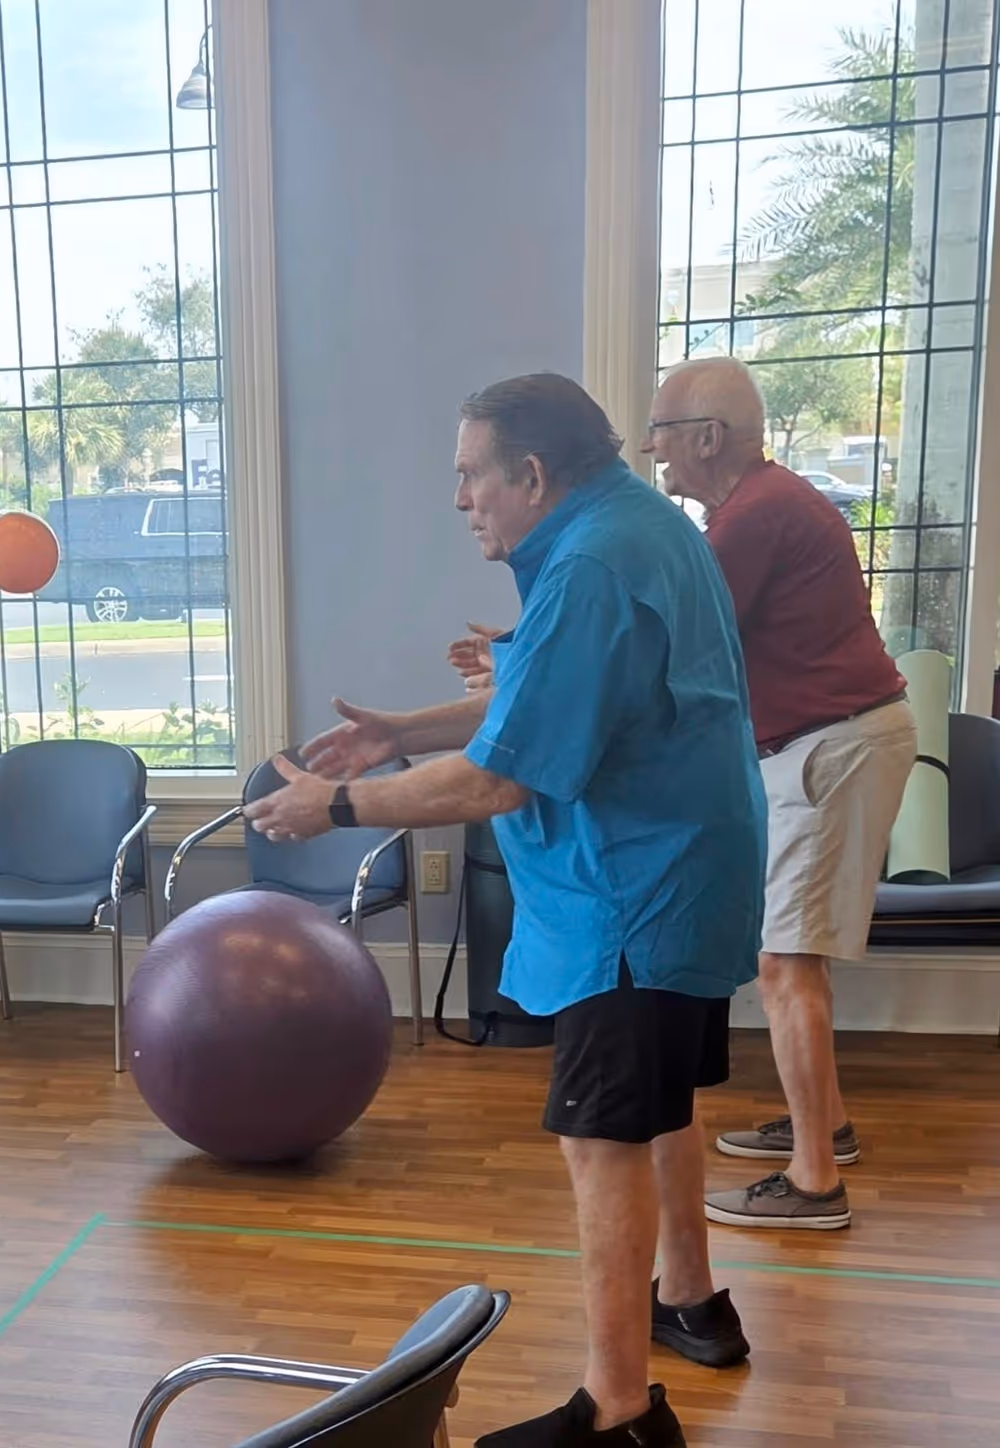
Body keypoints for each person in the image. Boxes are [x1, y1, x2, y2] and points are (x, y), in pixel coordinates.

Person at [246, 375, 764, 1448]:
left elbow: (496, 780)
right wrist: (404, 725)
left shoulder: (590, 566)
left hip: (637, 888)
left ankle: (618, 1411)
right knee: (658, 1103)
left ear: (532, 475)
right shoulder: (637, 525)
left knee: (601, 1136)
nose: (459, 498)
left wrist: (332, 800)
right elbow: (555, 696)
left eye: (469, 474)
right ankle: (693, 1299)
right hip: (681, 862)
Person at [648, 357, 917, 1232]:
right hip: (832, 740)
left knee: (785, 964)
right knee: (789, 960)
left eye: (661, 430)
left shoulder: (752, 517)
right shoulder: (762, 504)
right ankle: (823, 1129)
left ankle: (813, 1185)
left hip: (828, 747)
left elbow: (680, 644)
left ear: (706, 437)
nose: (654, 449)